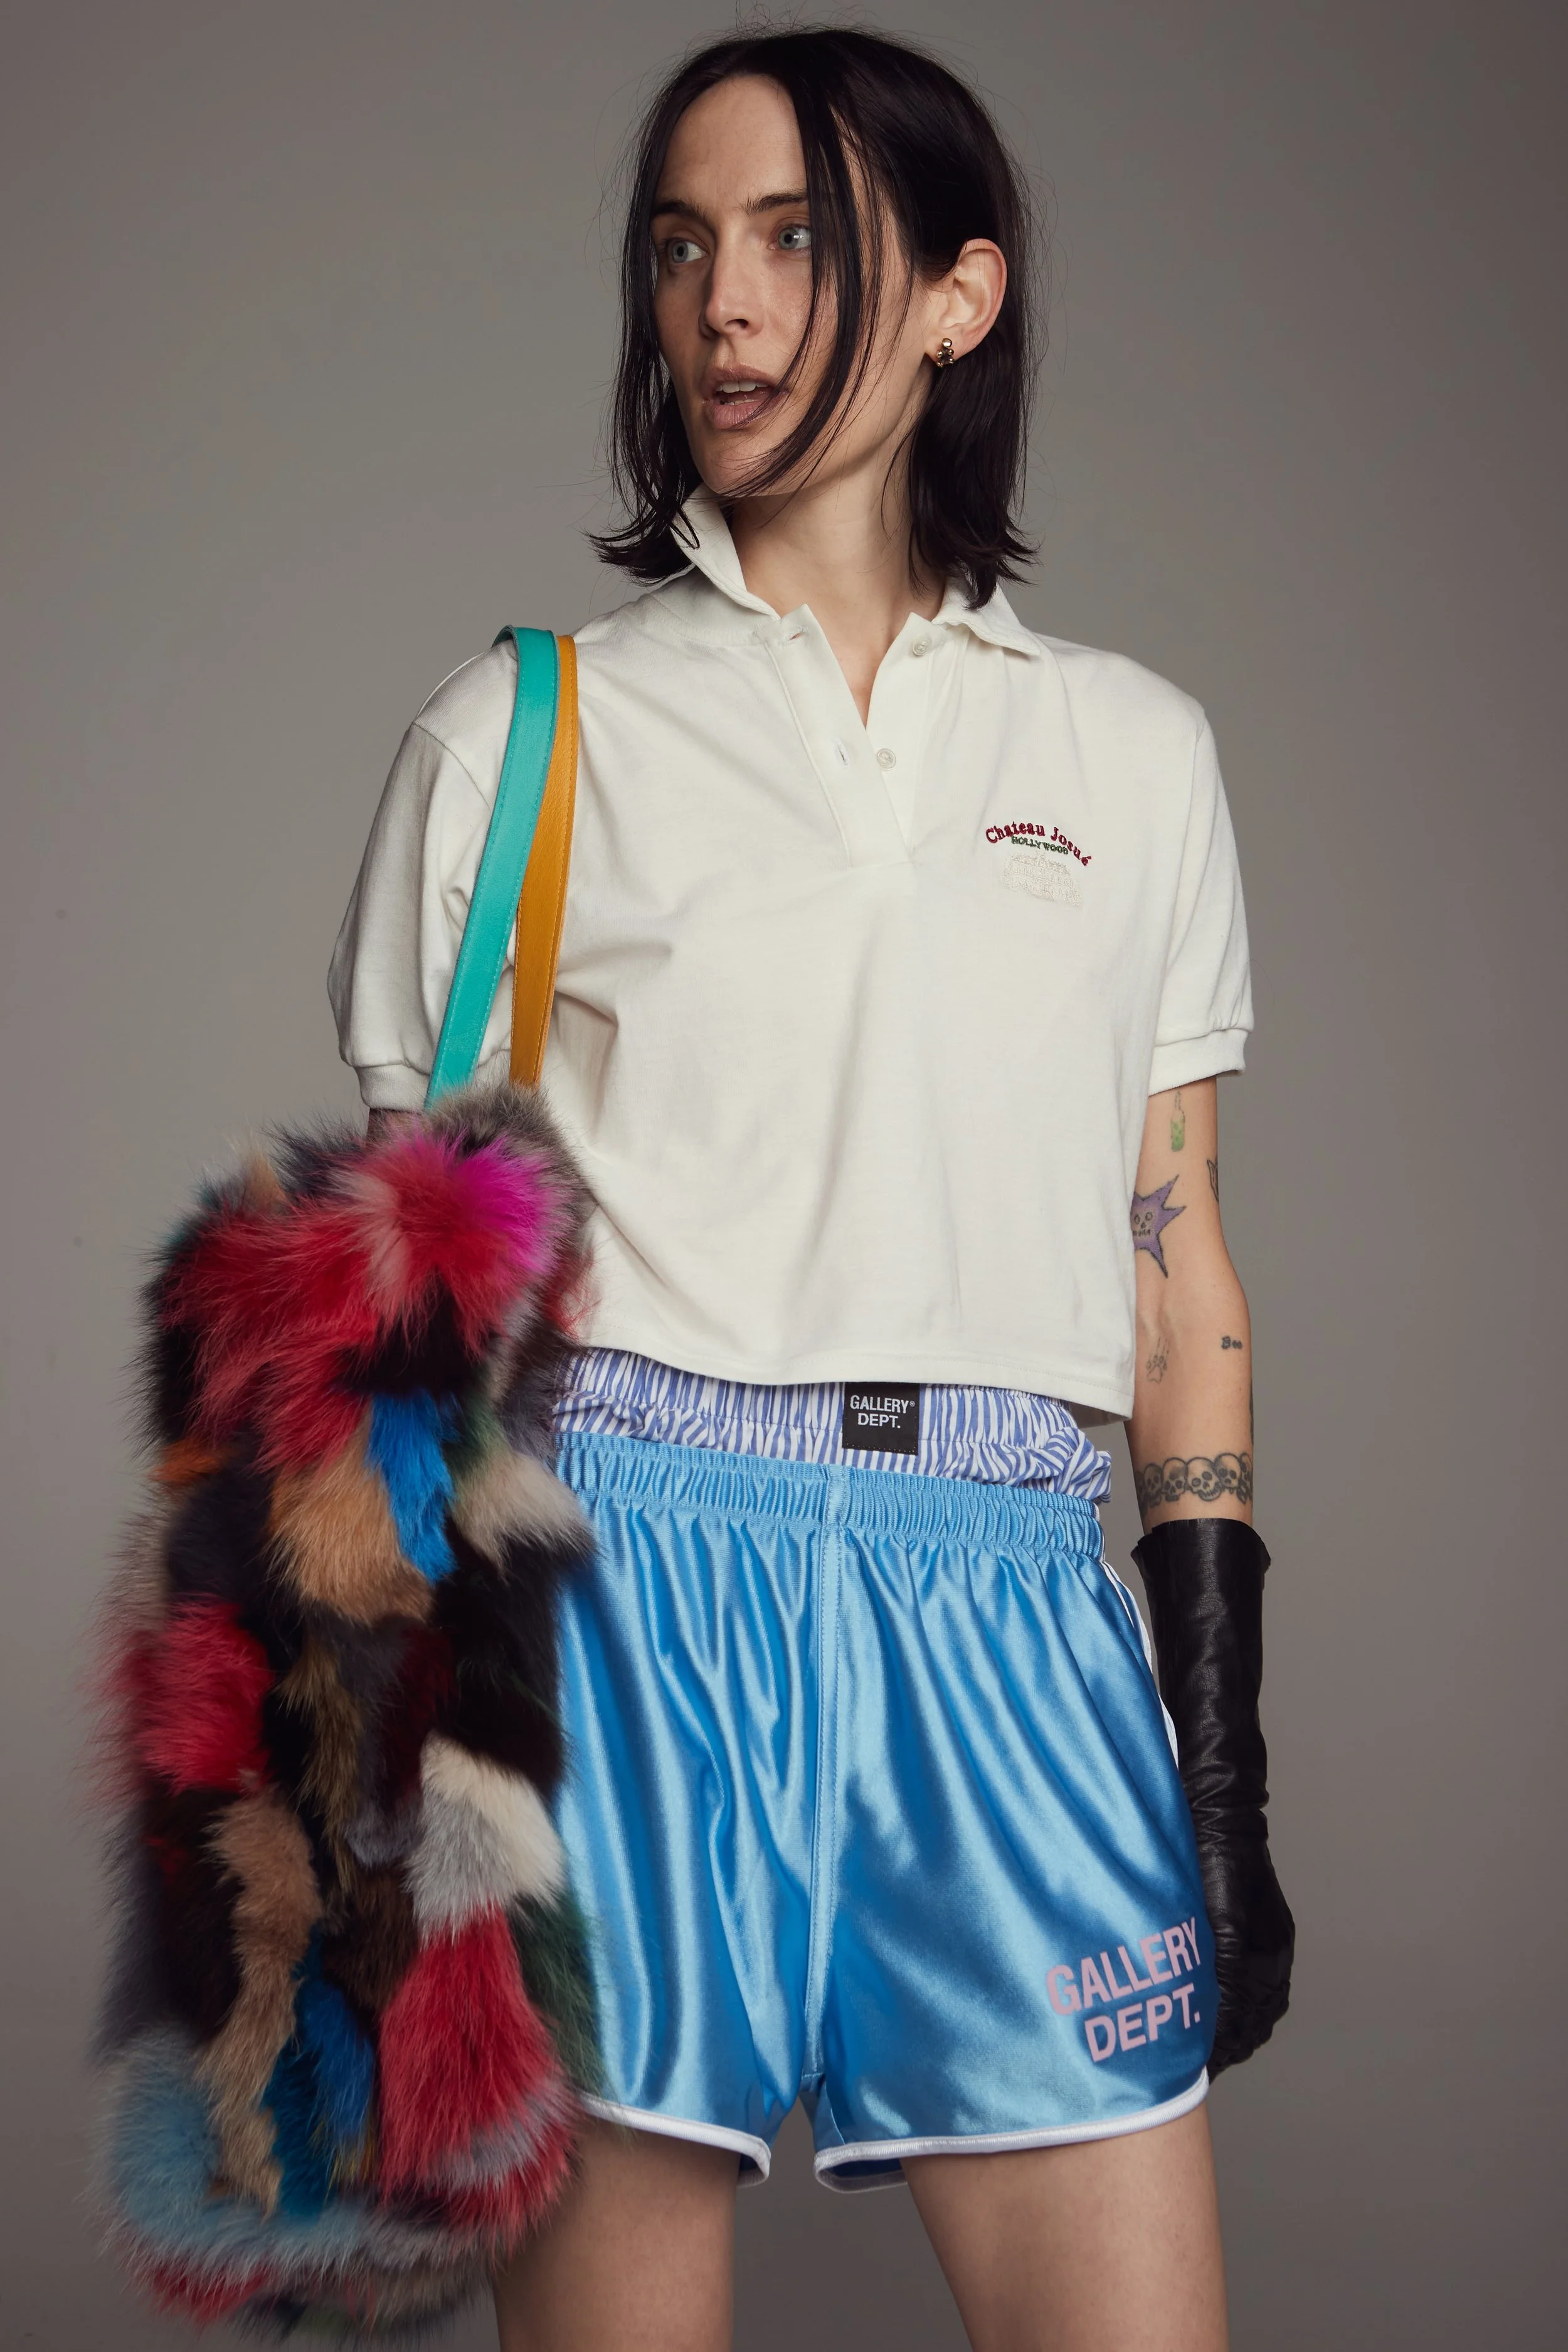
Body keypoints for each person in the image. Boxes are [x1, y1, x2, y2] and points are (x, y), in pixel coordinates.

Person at [329, 26, 1293, 2351]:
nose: (724, 308)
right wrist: (383, 1757)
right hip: (631, 1609)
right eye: (682, 248)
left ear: (959, 296)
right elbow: (407, 1320)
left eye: (794, 240)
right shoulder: (524, 735)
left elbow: (1178, 1278)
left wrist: (1225, 1763)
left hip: (1006, 1610)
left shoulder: (1133, 756)